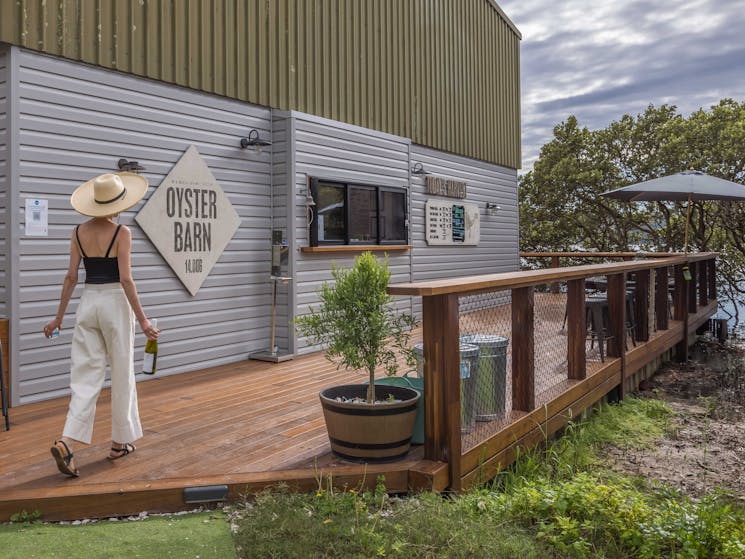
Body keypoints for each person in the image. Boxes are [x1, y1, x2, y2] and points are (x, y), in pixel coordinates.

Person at [43, 172, 159, 477]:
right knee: (122, 373)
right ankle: (119, 443)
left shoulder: (78, 232)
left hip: (87, 304)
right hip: (115, 303)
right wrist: (144, 319)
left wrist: (58, 318)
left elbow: (70, 277)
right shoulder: (122, 233)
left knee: (84, 377)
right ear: (118, 203)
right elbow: (126, 279)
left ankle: (67, 441)